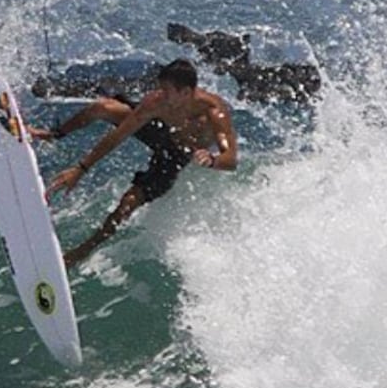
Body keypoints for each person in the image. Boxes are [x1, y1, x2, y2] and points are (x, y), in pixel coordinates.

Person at [36, 59, 238, 267]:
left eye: (167, 91)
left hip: (177, 153)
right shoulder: (157, 102)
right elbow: (119, 135)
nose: (161, 94)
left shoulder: (213, 112)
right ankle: (52, 134)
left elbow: (231, 159)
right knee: (101, 107)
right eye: (161, 88)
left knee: (127, 203)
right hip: (161, 130)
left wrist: (212, 160)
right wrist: (81, 169)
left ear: (185, 92)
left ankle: (81, 252)